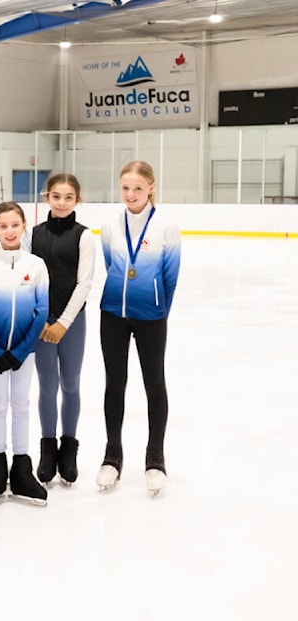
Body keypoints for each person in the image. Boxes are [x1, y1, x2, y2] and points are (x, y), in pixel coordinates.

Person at [97, 161, 180, 496]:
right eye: (125, 188)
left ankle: (155, 456)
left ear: (151, 188)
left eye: (137, 188)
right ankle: (112, 454)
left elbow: (170, 277)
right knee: (114, 383)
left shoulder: (165, 227)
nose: (131, 195)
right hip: (113, 314)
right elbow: (111, 265)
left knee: (153, 383)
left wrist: (159, 308)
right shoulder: (111, 225)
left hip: (151, 316)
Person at [0, 202, 49, 506]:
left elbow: (41, 310)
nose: (9, 231)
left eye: (14, 225)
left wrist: (22, 350)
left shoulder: (36, 265)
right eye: (3, 226)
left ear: (23, 227)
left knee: (20, 404)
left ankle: (21, 467)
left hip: (24, 351)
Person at [25, 173, 94, 487]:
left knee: (70, 383)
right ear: (46, 197)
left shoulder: (84, 236)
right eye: (56, 196)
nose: (62, 202)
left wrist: (64, 322)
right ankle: (48, 448)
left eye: (68, 197)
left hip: (71, 321)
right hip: (41, 323)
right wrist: (42, 320)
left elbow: (85, 283)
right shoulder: (34, 234)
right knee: (47, 386)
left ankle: (69, 448)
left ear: (77, 200)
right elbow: (27, 278)